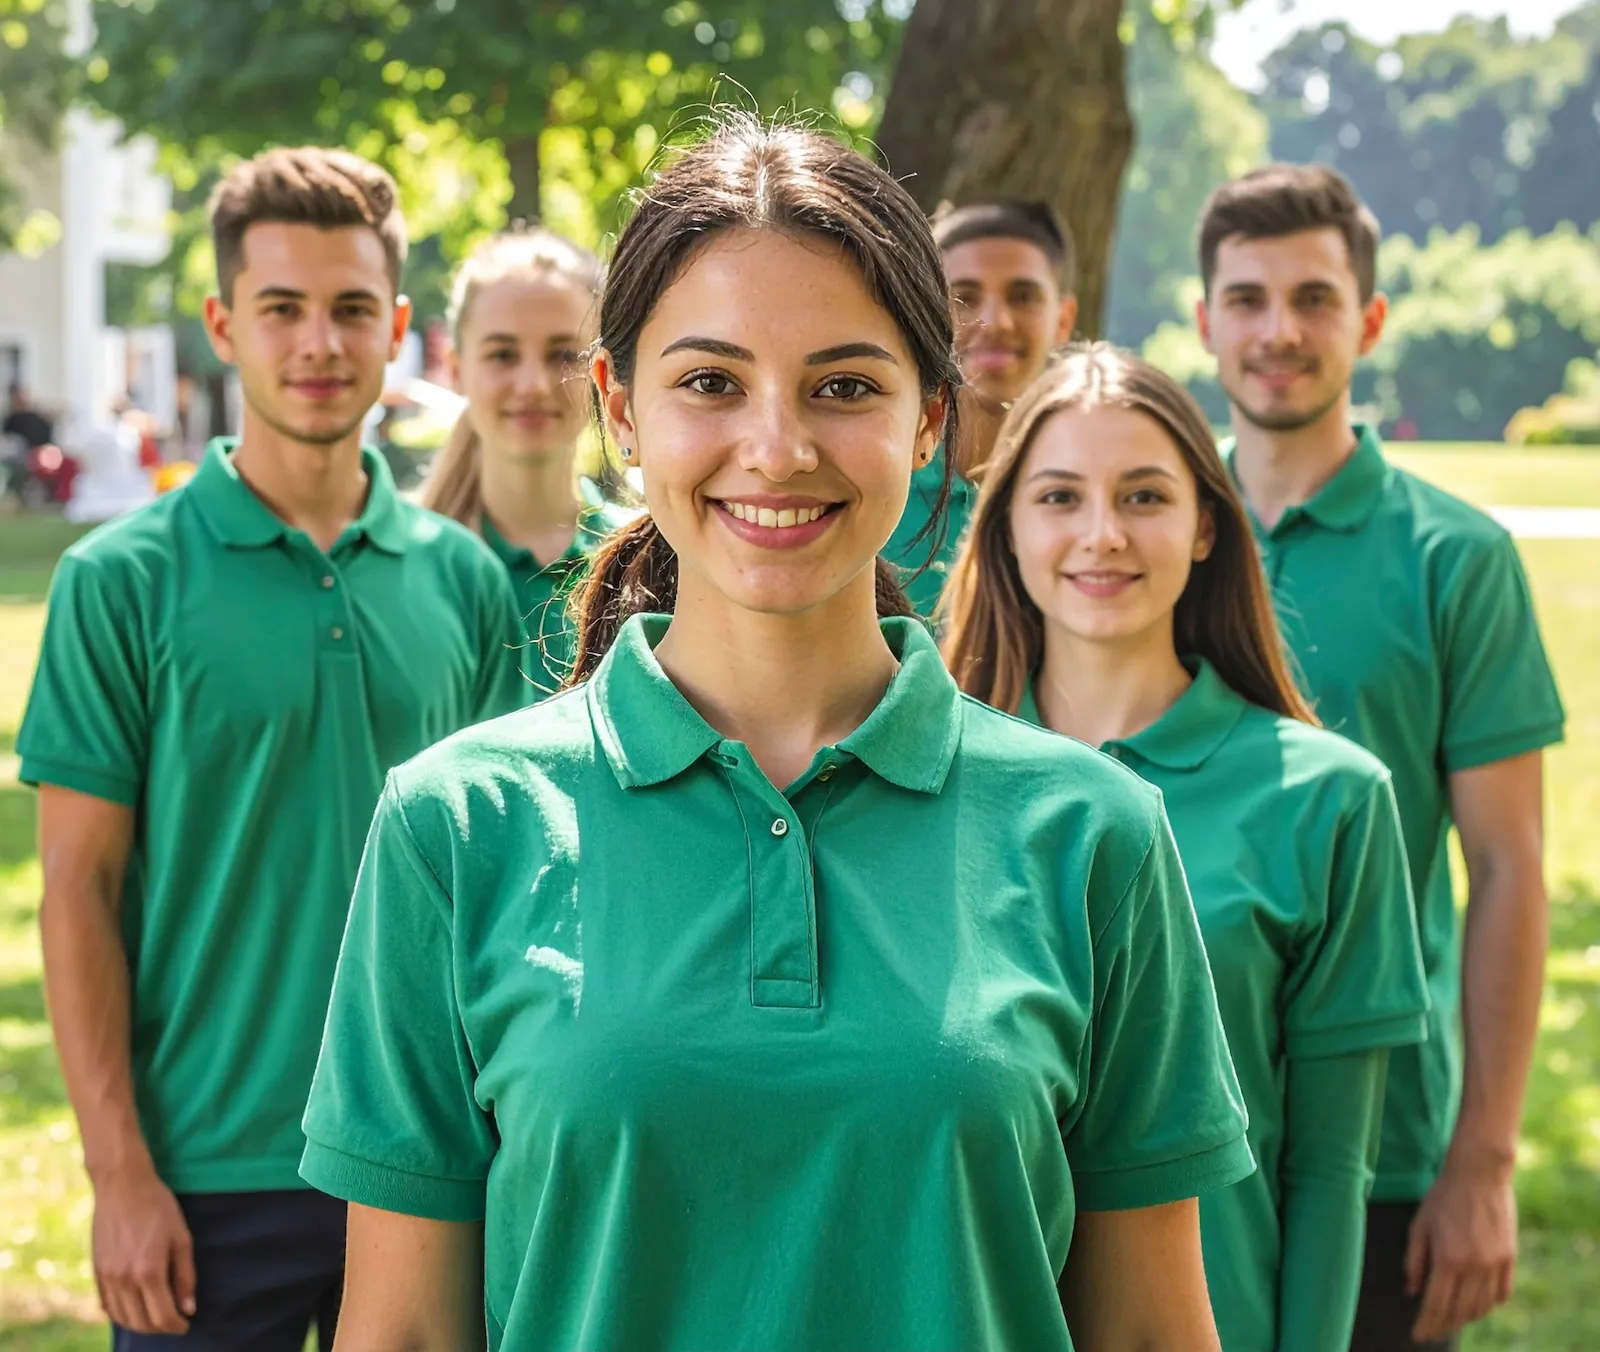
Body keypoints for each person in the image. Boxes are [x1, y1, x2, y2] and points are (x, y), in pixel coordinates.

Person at [298, 118, 1254, 1352]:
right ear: (620, 408)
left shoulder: (1094, 836)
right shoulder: (453, 827)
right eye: (708, 382)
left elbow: (1146, 1333)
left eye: (844, 385)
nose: (778, 447)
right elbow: (408, 1335)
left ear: (930, 419)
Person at [19, 147, 526, 1351]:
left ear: (396, 325)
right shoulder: (120, 582)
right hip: (205, 1174)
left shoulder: (464, 582)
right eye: (281, 309)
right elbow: (77, 893)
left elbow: (510, 890)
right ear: (222, 325)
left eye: (353, 309)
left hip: (427, 1153)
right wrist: (119, 1175)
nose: (319, 342)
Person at [942, 342, 1431, 1352]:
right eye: (1060, 497)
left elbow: (1331, 1170)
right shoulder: (919, 783)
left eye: (1145, 496)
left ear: (1208, 524)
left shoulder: (1331, 800)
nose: (1102, 534)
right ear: (1007, 530)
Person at [1194, 163, 1565, 1351]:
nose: (1277, 330)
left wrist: (1485, 1159)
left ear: (1366, 320)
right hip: (1155, 1118)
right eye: (1245, 299)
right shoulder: (1143, 531)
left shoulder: (1458, 559)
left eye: (1311, 298)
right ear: (1204, 322)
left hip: (1387, 1139)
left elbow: (1507, 870)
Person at [419, 228, 635, 698]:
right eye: (502, 354)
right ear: (456, 370)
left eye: (561, 354)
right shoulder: (405, 566)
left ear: (603, 372)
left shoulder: (651, 556)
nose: (534, 383)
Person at [882, 199, 1077, 613]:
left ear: (1063, 319)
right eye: (965, 296)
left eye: (1023, 296)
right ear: (927, 314)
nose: (996, 321)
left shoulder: (1092, 494)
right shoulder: (881, 491)